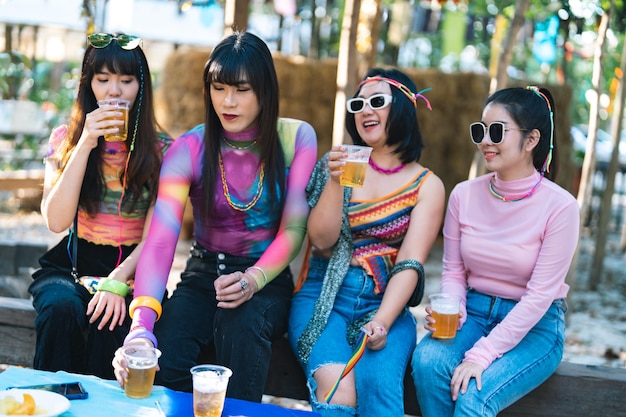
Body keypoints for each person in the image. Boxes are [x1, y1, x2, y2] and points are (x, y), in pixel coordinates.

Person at [112, 31, 318, 402]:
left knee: (240, 323)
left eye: (241, 90)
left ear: (264, 91)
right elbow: (161, 238)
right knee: (166, 352)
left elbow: (294, 229)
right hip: (203, 274)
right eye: (219, 87)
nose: (228, 101)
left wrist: (253, 279)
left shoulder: (296, 138)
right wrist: (141, 327)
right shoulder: (188, 148)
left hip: (265, 279)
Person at [411, 86, 580, 417]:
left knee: (474, 396)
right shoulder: (463, 195)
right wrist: (454, 306)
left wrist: (482, 354)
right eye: (480, 130)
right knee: (428, 362)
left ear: (531, 140)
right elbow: (454, 271)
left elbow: (538, 297)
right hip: (472, 312)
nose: (485, 140)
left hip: (536, 325)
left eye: (497, 131)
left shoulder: (561, 207)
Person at [288, 68, 445, 416]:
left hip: (385, 301)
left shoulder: (426, 184)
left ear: (403, 108)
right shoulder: (343, 164)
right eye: (358, 104)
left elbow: (409, 264)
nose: (365, 111)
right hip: (323, 295)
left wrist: (384, 323)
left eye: (377, 102)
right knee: (339, 388)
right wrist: (334, 181)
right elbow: (322, 240)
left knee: (380, 390)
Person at [29, 32, 170, 380]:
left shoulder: (163, 151)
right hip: (74, 262)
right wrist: (86, 141)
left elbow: (157, 237)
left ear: (142, 87)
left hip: (135, 266)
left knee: (114, 321)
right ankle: (52, 399)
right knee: (59, 309)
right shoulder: (66, 139)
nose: (114, 91)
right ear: (87, 84)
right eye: (103, 79)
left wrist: (118, 280)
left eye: (126, 80)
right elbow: (56, 221)